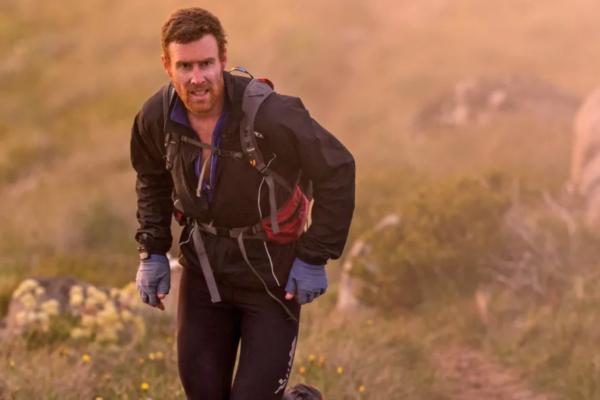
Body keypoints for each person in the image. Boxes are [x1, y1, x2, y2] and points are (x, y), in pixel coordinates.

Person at [131, 7, 355, 400]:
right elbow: (151, 176)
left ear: (223, 60)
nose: (196, 78)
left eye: (206, 64)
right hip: (205, 275)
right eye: (184, 66)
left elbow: (337, 168)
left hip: (270, 280)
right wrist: (151, 249)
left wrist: (315, 255)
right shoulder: (157, 117)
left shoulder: (271, 115)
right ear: (167, 65)